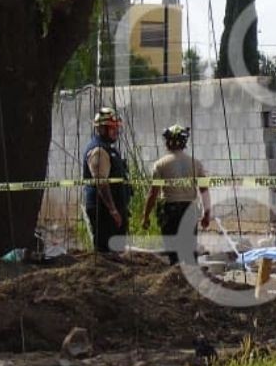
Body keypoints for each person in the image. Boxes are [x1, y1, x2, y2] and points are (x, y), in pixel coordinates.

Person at [141, 125, 211, 265]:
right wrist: (207, 214)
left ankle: (176, 280)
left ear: (167, 142)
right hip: (190, 211)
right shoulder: (196, 164)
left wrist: (146, 216)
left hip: (169, 211)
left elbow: (153, 193)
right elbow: (204, 190)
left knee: (173, 253)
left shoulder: (160, 165)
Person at [83, 107, 131, 253]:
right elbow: (101, 184)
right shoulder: (98, 150)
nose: (116, 130)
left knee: (117, 250)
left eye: (116, 127)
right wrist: (113, 210)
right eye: (112, 127)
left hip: (114, 210)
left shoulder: (110, 148)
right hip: (104, 211)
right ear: (102, 129)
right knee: (106, 253)